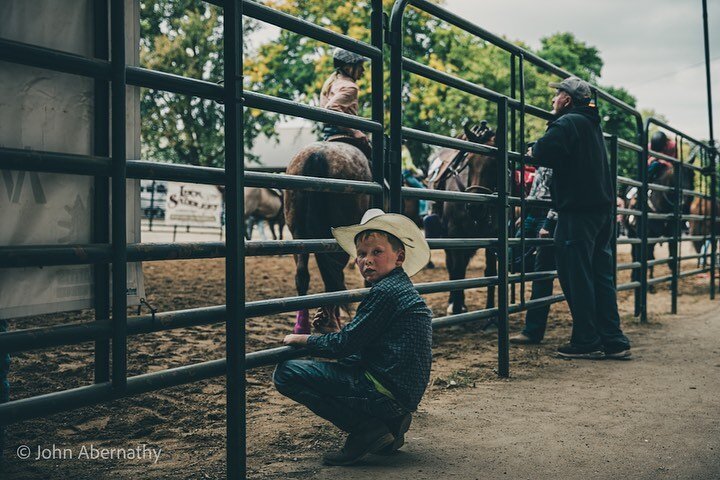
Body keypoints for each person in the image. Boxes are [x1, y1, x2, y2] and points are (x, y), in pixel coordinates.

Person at [274, 209, 433, 466]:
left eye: (376, 252)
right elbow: (369, 346)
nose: (367, 260)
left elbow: (345, 346)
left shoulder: (384, 293)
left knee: (286, 373)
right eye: (361, 254)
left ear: (399, 257)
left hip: (384, 391)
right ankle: (389, 423)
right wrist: (335, 332)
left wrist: (303, 339)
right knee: (340, 365)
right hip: (400, 392)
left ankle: (367, 428)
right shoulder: (399, 288)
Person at [526, 76, 631, 360]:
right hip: (600, 211)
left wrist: (532, 149)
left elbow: (541, 152)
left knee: (576, 275)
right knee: (600, 274)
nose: (553, 99)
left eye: (557, 95)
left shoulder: (568, 123)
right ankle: (613, 338)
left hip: (578, 211)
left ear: (567, 100)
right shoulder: (591, 125)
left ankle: (586, 339)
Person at [509, 166, 558, 344]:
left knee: (542, 272)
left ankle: (533, 330)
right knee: (512, 257)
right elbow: (538, 186)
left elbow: (558, 191)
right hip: (534, 212)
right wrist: (526, 212)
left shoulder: (558, 151)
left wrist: (549, 223)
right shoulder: (543, 157)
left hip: (548, 214)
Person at [319, 48, 371, 158]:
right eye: (360, 65)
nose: (363, 70)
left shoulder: (331, 83)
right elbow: (331, 108)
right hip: (345, 134)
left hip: (328, 135)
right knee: (379, 160)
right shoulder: (350, 87)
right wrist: (355, 132)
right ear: (349, 67)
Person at [401, 144, 428, 216]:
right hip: (406, 174)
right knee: (423, 190)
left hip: (401, 174)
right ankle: (423, 211)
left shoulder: (400, 152)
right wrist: (418, 172)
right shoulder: (406, 151)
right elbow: (409, 166)